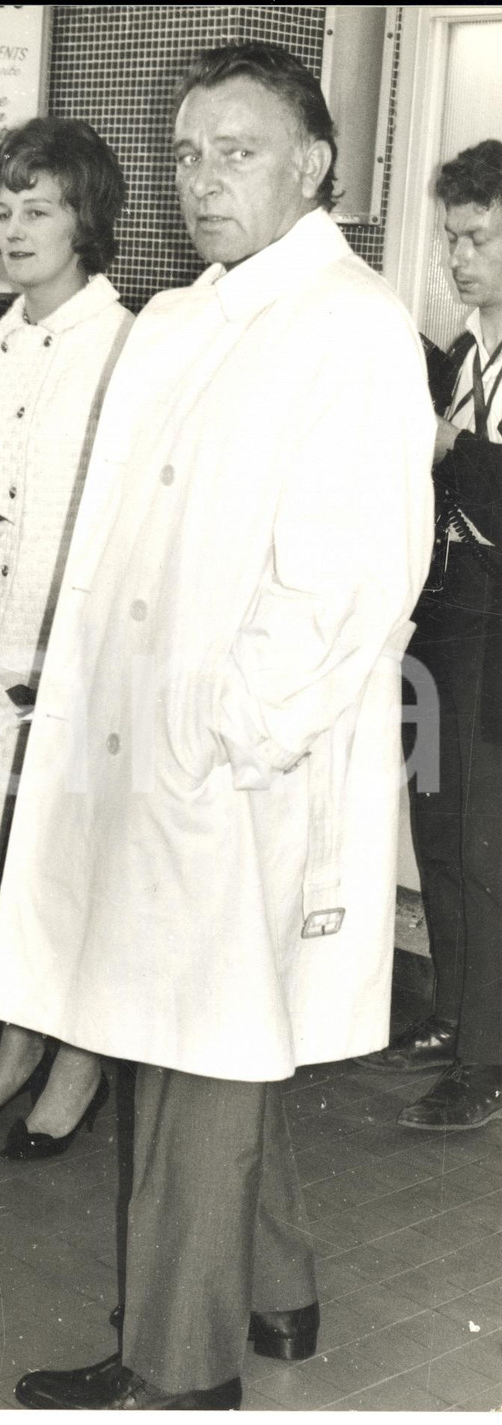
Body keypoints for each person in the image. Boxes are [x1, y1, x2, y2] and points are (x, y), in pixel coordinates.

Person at [0, 43, 435, 1409]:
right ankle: (281, 1299)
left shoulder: (352, 324)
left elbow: (356, 566)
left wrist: (244, 728)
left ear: (316, 166)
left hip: (239, 757)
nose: (201, 178)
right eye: (184, 153)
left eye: (236, 150)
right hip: (142, 735)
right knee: (208, 1025)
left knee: (195, 1052)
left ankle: (177, 1369)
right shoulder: (178, 321)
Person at [0, 118, 133, 1159]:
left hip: (73, 651)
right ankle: (16, 1047)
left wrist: (72, 655)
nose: (11, 227)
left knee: (66, 865)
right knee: (3, 862)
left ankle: (78, 1063)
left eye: (36, 207)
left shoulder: (125, 347)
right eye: (1, 209)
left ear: (84, 217)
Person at [359, 140, 502, 1130]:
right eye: (450, 237)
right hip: (446, 621)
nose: (457, 257)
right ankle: (454, 1015)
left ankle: (488, 1067)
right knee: (439, 834)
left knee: (483, 851)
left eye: (478, 238)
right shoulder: (464, 353)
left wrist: (449, 451)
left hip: (493, 631)